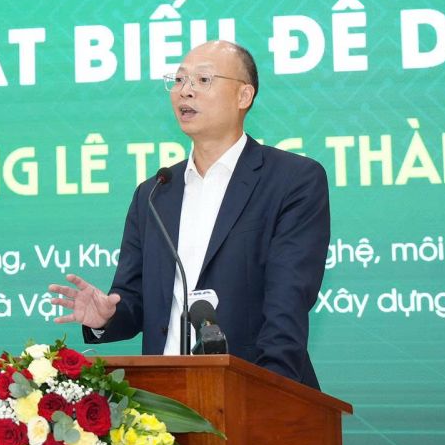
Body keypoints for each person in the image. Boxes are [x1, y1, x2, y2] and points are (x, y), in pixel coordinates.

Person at [50, 40, 330, 388]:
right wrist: (106, 317)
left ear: (244, 96)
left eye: (203, 80)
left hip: (251, 390)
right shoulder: (154, 192)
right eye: (179, 80)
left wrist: (267, 392)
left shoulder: (292, 180)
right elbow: (134, 300)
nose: (185, 91)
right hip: (163, 400)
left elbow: (287, 303)